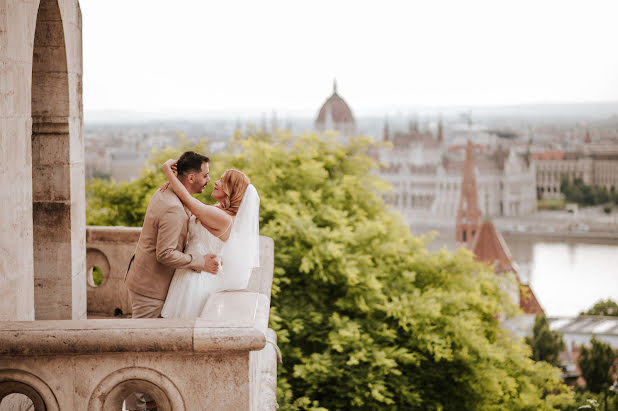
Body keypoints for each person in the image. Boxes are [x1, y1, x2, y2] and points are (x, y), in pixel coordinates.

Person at [124, 151, 219, 410]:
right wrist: (200, 262)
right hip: (150, 288)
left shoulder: (169, 192)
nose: (208, 180)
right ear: (190, 177)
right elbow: (165, 254)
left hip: (151, 283)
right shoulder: (173, 209)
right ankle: (140, 407)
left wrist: (168, 171)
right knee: (142, 352)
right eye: (205, 175)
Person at [160, 158, 260, 318]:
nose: (216, 182)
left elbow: (188, 200)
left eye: (222, 180)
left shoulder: (223, 218)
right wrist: (173, 186)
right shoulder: (216, 210)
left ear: (231, 190)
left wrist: (168, 172)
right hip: (188, 272)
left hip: (198, 279)